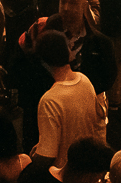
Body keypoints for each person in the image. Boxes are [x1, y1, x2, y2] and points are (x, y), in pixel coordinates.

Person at [31, 31, 108, 172]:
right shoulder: (84, 81)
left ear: (43, 62)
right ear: (68, 51)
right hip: (87, 168)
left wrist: (31, 161)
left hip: (63, 175)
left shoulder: (50, 100)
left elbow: (47, 156)